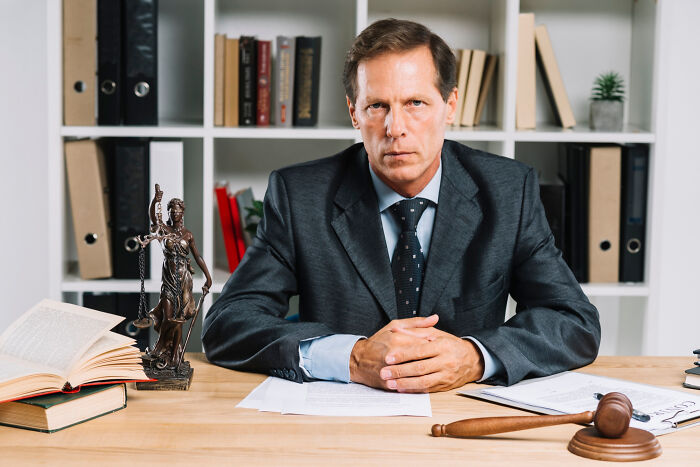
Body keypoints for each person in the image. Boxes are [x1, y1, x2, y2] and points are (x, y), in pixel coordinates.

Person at [202, 18, 600, 392]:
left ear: (450, 105)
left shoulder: (509, 190)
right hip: (338, 423)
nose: (396, 128)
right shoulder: (299, 194)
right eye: (377, 106)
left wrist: (476, 357)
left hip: (459, 416)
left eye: (415, 103)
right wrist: (351, 357)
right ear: (354, 113)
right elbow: (227, 324)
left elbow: (574, 322)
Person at [148, 186, 212, 368]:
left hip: (184, 279)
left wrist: (208, 277)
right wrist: (155, 200)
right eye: (172, 211)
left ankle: (175, 356)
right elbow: (153, 218)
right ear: (168, 212)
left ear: (182, 213)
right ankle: (161, 346)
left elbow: (197, 256)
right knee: (169, 317)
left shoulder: (188, 234)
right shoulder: (163, 230)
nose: (175, 213)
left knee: (180, 318)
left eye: (178, 211)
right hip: (168, 278)